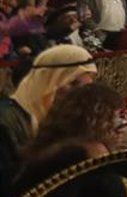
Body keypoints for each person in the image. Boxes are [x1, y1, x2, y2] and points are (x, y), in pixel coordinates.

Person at [0, 43, 96, 186]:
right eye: (73, 84)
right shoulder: (6, 119)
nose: (81, 95)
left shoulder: (66, 118)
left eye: (86, 87)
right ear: (47, 82)